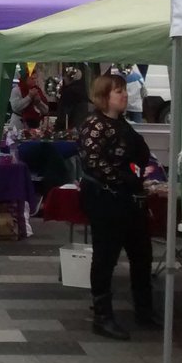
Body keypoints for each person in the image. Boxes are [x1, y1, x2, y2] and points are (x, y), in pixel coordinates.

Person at [78, 73, 157, 340]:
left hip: (127, 198)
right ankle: (102, 315)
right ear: (104, 97)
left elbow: (141, 153)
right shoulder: (95, 125)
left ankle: (144, 309)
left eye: (123, 91)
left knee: (141, 253)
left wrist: (136, 174)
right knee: (106, 256)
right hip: (105, 198)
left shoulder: (122, 124)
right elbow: (94, 163)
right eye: (118, 91)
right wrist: (126, 178)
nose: (124, 95)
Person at [9, 66, 50, 131]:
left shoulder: (37, 90)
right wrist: (29, 97)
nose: (35, 81)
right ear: (25, 79)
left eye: (35, 78)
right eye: (32, 79)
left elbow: (46, 110)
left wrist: (39, 102)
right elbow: (15, 107)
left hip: (35, 126)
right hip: (18, 126)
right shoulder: (16, 90)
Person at [54, 66, 89, 132]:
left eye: (65, 76)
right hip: (81, 127)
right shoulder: (83, 91)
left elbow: (64, 113)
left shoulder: (68, 92)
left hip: (68, 128)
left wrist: (57, 127)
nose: (63, 78)